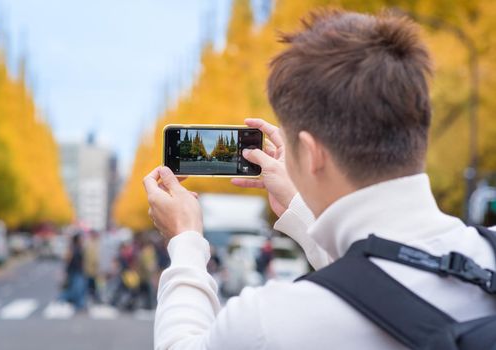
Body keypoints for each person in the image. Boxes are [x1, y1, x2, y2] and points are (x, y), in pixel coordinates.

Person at [143, 9, 496, 350]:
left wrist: (186, 240)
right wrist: (300, 214)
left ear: (312, 154)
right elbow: (376, 275)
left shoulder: (271, 321)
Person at [60, 233, 86, 311]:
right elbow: (67, 260)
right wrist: (65, 271)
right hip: (74, 271)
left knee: (77, 288)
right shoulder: (72, 249)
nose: (82, 240)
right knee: (76, 288)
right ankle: (63, 299)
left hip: (78, 271)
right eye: (81, 238)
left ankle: (78, 304)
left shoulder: (80, 248)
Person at [83, 229, 101, 304]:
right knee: (89, 285)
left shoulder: (98, 243)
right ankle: (92, 299)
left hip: (96, 270)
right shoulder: (88, 243)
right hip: (89, 269)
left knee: (96, 286)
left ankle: (96, 298)